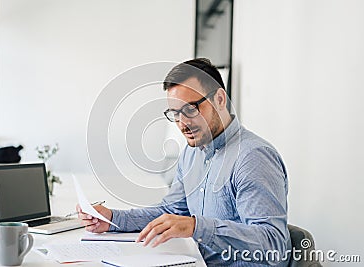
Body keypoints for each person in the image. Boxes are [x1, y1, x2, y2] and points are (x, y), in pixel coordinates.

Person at [77, 58, 291, 266]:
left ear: (220, 99)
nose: (183, 123)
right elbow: (171, 213)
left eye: (191, 109)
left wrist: (197, 227)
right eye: (175, 113)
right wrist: (113, 219)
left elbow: (274, 244)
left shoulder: (252, 157)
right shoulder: (192, 154)